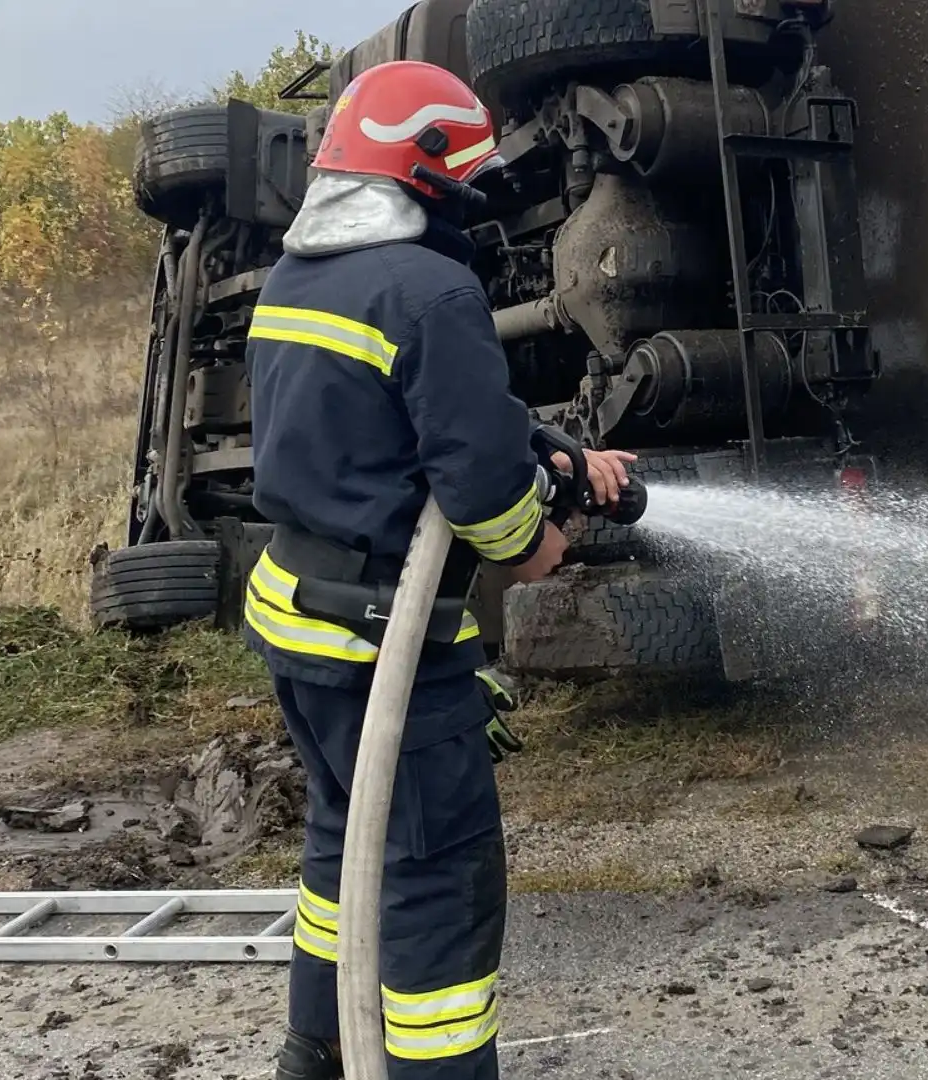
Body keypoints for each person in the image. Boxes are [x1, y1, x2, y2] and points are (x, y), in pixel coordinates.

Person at [239, 60, 634, 1080]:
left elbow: (417, 415)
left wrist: (563, 455)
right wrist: (536, 540)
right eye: (469, 176)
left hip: (300, 620)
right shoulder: (433, 289)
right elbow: (484, 496)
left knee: (343, 848)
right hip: (387, 646)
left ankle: (315, 1053)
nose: (478, 198)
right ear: (427, 172)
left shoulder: (298, 280)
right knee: (437, 882)